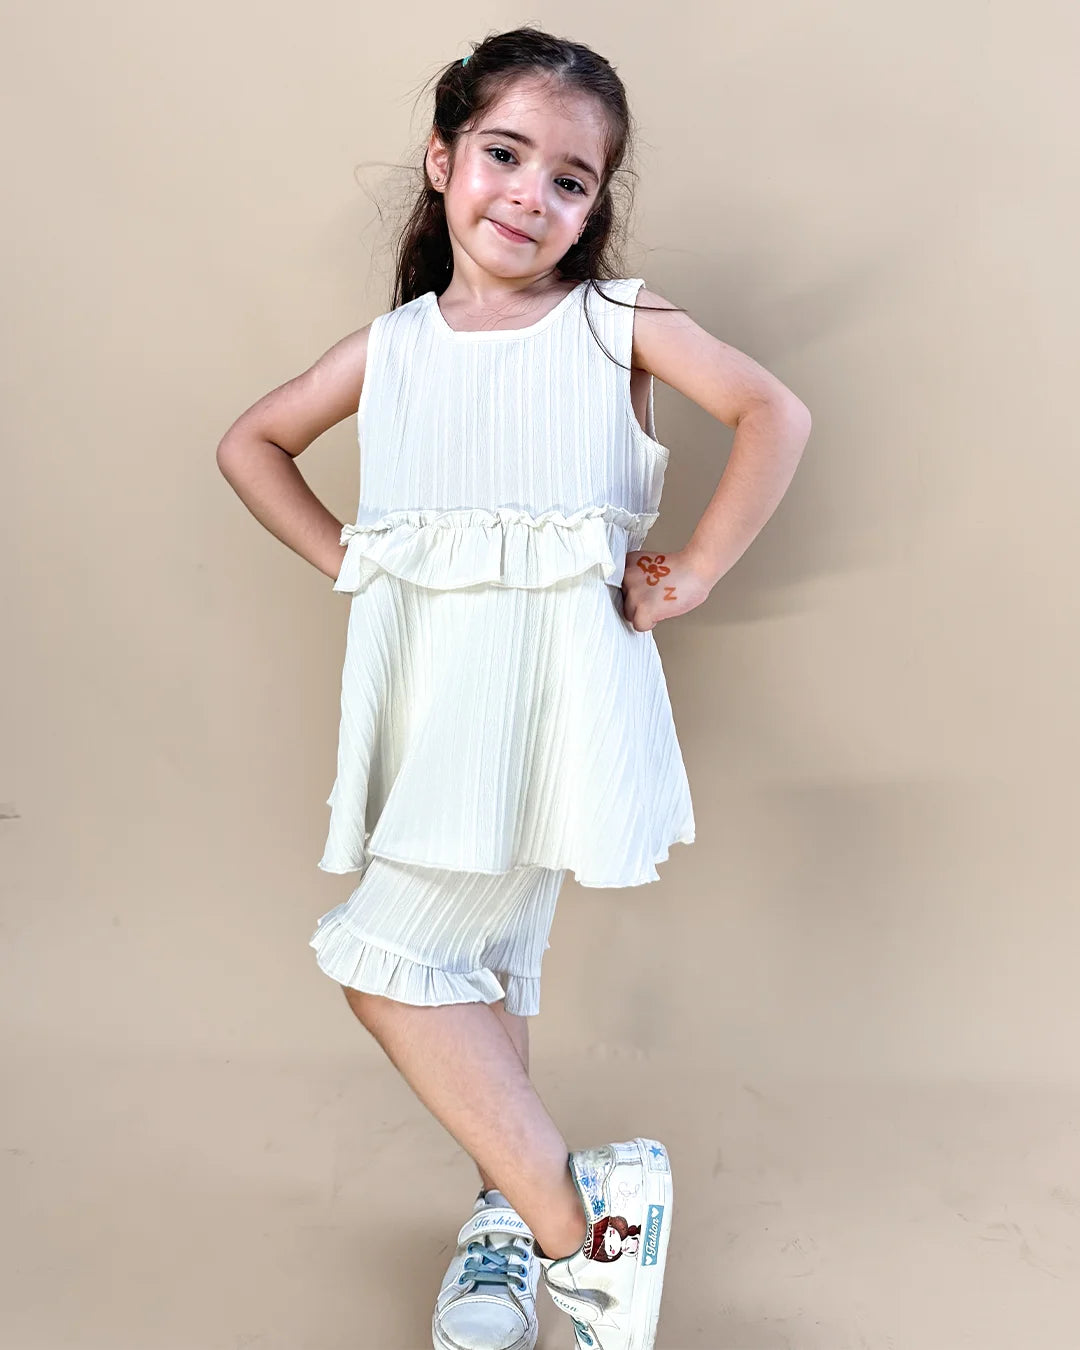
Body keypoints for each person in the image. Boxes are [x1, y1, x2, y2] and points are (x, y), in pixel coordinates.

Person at [216, 25, 811, 1350]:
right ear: (441, 160)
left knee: (391, 961)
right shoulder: (396, 347)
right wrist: (353, 561)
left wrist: (697, 569)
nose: (530, 196)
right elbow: (250, 441)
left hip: (556, 708)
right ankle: (506, 1211)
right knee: (483, 961)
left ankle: (579, 1225)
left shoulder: (616, 323)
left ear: (596, 208)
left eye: (572, 179)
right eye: (503, 154)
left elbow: (775, 412)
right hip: (440, 706)